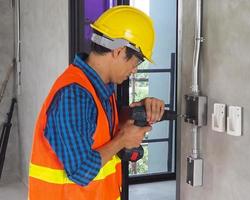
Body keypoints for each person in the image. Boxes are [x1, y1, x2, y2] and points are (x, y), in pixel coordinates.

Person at [28, 5, 164, 200]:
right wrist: (123, 140)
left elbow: (96, 130)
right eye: (137, 61)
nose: (134, 70)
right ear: (118, 51)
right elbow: (81, 170)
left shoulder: (101, 90)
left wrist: (133, 113)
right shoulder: (74, 95)